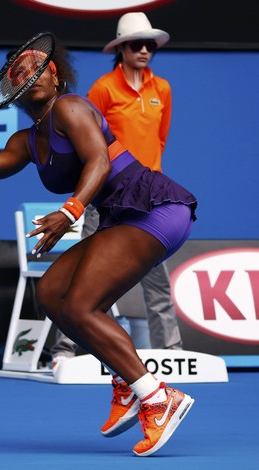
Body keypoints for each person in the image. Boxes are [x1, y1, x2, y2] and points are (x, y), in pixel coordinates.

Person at [0, 39, 197, 457]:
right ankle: (125, 379)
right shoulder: (27, 141)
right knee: (52, 293)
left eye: (37, 66)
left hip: (154, 208)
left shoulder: (71, 107)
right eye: (18, 69)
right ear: (12, 86)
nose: (28, 72)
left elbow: (99, 161)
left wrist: (69, 211)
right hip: (121, 217)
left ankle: (157, 397)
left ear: (55, 75)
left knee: (81, 305)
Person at [50, 12, 183, 372]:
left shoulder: (163, 89)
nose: (144, 50)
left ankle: (171, 350)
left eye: (149, 45)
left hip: (150, 198)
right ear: (121, 49)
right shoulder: (103, 89)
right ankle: (64, 350)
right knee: (84, 274)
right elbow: (87, 145)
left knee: (158, 281)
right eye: (136, 44)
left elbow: (159, 140)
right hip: (107, 197)